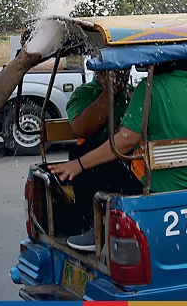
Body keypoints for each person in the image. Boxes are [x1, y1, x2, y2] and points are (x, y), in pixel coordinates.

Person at [48, 57, 187, 251]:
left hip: (153, 188)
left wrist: (78, 164)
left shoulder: (150, 88)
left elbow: (126, 140)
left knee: (107, 167)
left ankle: (101, 230)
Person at [56, 69, 142, 236]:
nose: (121, 73)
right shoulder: (84, 93)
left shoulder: (134, 94)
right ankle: (91, 226)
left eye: (124, 70)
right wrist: (110, 92)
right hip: (93, 157)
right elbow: (82, 129)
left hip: (127, 157)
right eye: (115, 70)